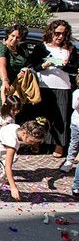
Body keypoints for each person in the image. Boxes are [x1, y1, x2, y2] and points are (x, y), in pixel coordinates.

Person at [27, 20, 78, 158]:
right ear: (51, 32)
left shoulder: (70, 48)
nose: (60, 37)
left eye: (63, 34)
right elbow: (31, 66)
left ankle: (59, 145)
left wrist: (65, 66)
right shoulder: (41, 47)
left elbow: (74, 69)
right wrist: (43, 66)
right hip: (43, 87)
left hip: (63, 87)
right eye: (57, 33)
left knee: (61, 118)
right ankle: (37, 142)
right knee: (41, 117)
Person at [0, 24, 29, 136]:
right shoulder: (1, 48)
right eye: (12, 36)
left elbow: (26, 63)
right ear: (8, 34)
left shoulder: (21, 50)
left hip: (16, 86)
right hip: (1, 85)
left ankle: (5, 140)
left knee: (11, 115)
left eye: (18, 37)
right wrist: (5, 80)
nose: (14, 39)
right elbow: (1, 66)